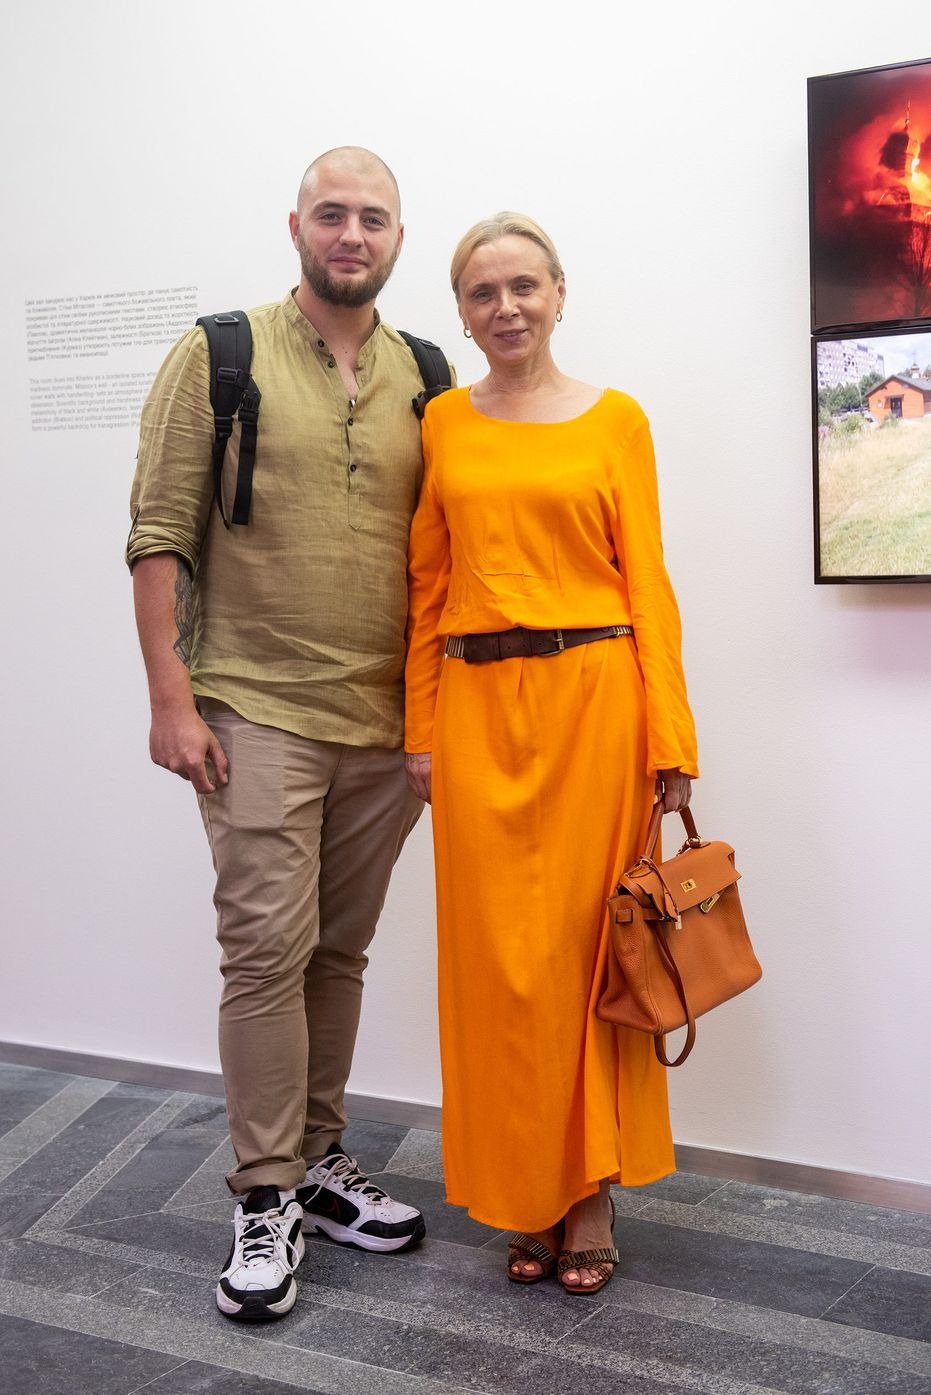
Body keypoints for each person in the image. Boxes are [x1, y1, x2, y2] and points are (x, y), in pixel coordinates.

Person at [128, 147, 448, 1323]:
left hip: (385, 724)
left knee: (337, 954)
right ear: (297, 226)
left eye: (373, 217)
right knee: (266, 951)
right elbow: (158, 531)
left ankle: (317, 1161)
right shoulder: (218, 352)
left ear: (398, 237)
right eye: (331, 214)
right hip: (252, 706)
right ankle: (264, 1192)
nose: (351, 234)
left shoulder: (428, 373)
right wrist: (171, 699)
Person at [404, 213, 698, 1296]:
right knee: (496, 966)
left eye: (524, 285)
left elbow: (646, 582)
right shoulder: (442, 421)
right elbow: (427, 587)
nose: (506, 307)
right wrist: (419, 730)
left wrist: (671, 734)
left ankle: (588, 1195)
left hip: (593, 706)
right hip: (476, 712)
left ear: (560, 293)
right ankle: (522, 1187)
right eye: (483, 292)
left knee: (586, 952)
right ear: (461, 311)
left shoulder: (616, 420)